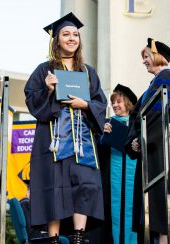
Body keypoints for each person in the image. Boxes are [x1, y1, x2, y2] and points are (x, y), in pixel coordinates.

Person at [24, 12, 107, 244]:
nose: (72, 38)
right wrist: (48, 90)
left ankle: (79, 236)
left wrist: (86, 105)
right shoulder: (44, 70)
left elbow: (101, 102)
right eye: (66, 34)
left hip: (83, 143)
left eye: (76, 34)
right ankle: (53, 238)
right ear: (56, 40)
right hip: (53, 141)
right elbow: (32, 101)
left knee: (85, 184)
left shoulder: (88, 71)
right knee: (54, 185)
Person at [125, 38, 170, 244]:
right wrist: (134, 141)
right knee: (150, 206)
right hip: (149, 152)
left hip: (161, 149)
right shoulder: (150, 88)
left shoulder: (167, 79)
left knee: (161, 202)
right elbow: (137, 119)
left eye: (147, 56)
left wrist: (145, 139)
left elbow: (163, 119)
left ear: (159, 56)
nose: (144, 61)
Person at [98, 84, 138, 244]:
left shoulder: (136, 123)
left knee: (131, 210)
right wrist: (104, 136)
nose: (114, 105)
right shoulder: (110, 123)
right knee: (115, 211)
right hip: (114, 174)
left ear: (127, 103)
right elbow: (101, 150)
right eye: (113, 102)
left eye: (118, 102)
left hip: (132, 171)